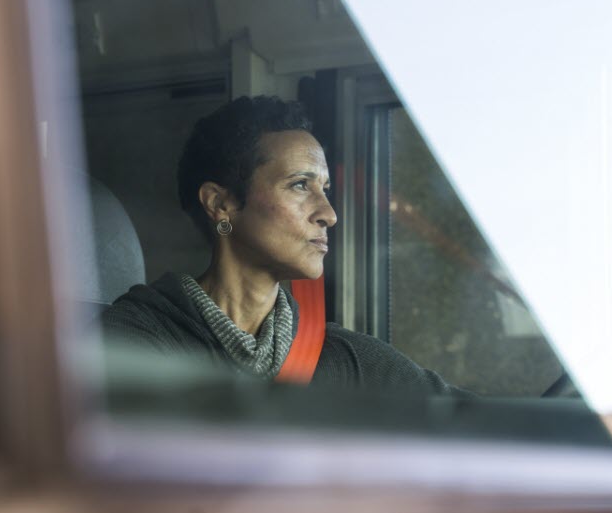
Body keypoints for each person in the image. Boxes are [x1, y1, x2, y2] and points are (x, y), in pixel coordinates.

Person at [103, 96, 471, 397]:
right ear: (221, 204)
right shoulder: (133, 344)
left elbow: (476, 426)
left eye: (324, 190)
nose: (329, 214)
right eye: (299, 185)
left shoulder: (346, 359)